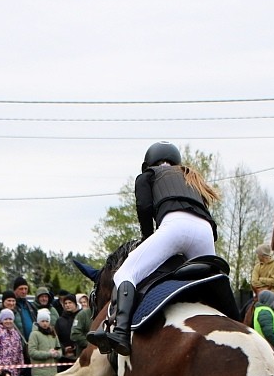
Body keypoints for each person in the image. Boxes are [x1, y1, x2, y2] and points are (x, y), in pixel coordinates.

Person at [89, 142, 220, 356]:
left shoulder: (148, 175)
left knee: (125, 273)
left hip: (174, 226)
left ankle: (120, 332)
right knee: (212, 282)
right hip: (206, 232)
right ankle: (234, 322)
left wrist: (148, 238)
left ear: (148, 162)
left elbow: (145, 208)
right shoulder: (191, 177)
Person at [252, 290, 274, 356]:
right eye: (272, 300)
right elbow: (269, 333)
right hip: (270, 351)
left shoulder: (262, 310)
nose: (273, 302)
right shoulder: (264, 312)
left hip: (269, 349)